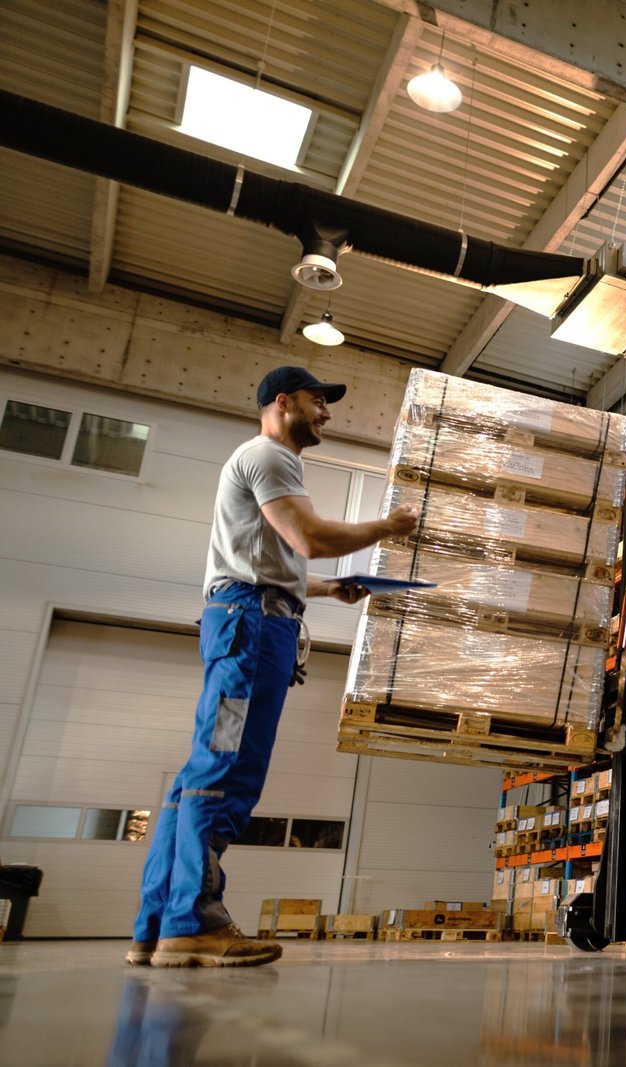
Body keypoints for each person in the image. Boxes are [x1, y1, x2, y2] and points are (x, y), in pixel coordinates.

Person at [128, 366, 418, 968]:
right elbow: (308, 535)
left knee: (197, 777)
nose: (327, 414)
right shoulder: (271, 456)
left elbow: (267, 559)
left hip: (248, 620)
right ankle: (195, 922)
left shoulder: (259, 462)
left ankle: (158, 925)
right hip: (251, 633)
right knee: (226, 767)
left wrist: (327, 589)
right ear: (282, 402)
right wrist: (385, 527)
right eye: (318, 401)